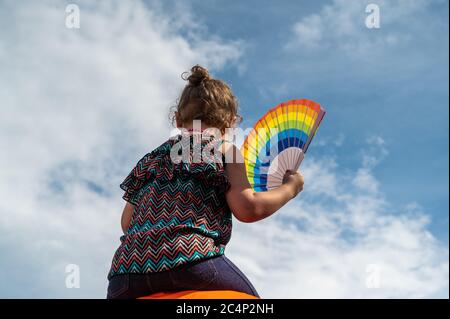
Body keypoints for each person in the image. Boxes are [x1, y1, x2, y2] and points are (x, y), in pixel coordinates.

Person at [107, 65, 304, 299]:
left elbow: (126, 222)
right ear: (231, 122)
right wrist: (289, 189)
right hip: (190, 262)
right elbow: (248, 209)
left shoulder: (152, 159)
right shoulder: (224, 150)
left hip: (125, 275)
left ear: (178, 119)